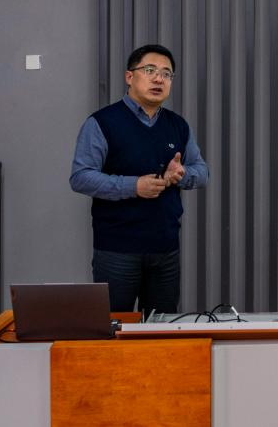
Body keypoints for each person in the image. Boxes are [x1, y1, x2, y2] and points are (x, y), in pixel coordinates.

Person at [69, 43, 209, 317]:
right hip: (116, 250)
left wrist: (182, 175)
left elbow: (202, 172)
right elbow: (81, 177)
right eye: (150, 70)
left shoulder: (178, 125)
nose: (159, 79)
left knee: (162, 327)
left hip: (165, 249)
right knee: (113, 325)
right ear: (129, 76)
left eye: (166, 74)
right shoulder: (101, 123)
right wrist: (133, 186)